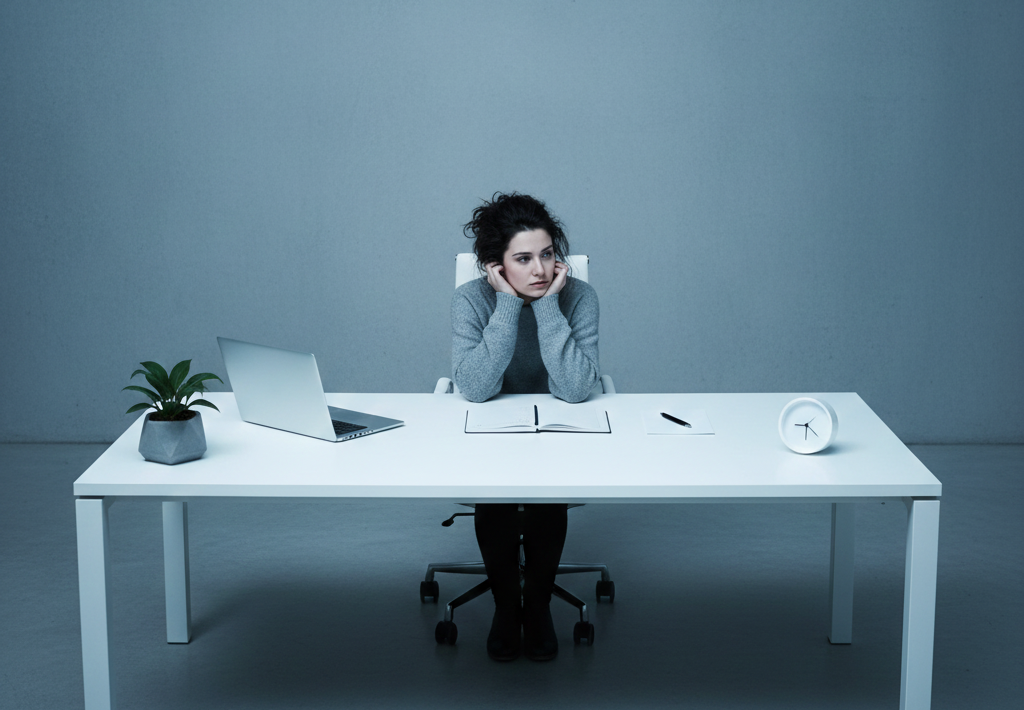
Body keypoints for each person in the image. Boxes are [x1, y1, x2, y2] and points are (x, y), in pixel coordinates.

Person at [451, 192, 600, 661]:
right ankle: (503, 606)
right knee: (495, 495)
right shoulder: (471, 301)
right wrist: (506, 306)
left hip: (560, 429)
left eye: (548, 254)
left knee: (544, 496)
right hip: (489, 429)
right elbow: (474, 388)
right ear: (495, 267)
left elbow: (576, 388)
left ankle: (535, 606)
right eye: (523, 259)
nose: (540, 270)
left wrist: (549, 308)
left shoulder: (579, 297)